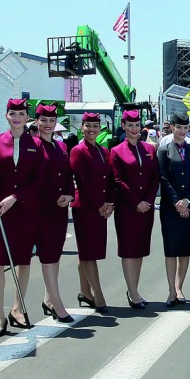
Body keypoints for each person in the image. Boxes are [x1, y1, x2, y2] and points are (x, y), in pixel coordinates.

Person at [0, 98, 44, 338]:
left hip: (25, 209)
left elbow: (39, 180)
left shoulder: (35, 144)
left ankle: (18, 308)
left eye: (21, 114)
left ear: (27, 118)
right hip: (0, 212)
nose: (16, 117)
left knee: (23, 259)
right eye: (12, 113)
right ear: (6, 116)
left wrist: (16, 197)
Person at [109, 110, 160, 310]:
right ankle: (132, 292)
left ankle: (135, 290)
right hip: (128, 209)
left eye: (137, 125)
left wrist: (147, 200)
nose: (133, 129)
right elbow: (118, 180)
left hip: (146, 208)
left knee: (139, 250)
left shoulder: (149, 149)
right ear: (123, 126)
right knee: (128, 251)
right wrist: (136, 201)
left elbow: (155, 177)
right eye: (129, 125)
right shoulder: (116, 151)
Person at [70, 113, 117, 313]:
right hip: (86, 208)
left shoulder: (102, 150)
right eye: (88, 125)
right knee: (89, 254)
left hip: (100, 207)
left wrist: (109, 203)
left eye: (95, 126)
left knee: (88, 252)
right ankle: (98, 296)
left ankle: (85, 292)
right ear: (82, 127)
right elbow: (83, 182)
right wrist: (100, 205)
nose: (92, 129)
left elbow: (110, 179)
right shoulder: (78, 151)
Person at [33, 104, 76, 323]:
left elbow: (68, 175)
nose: (48, 125)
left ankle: (48, 299)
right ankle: (57, 304)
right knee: (48, 256)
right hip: (41, 210)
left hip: (60, 210)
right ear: (36, 121)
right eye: (44, 120)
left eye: (51, 121)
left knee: (55, 255)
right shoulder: (32, 146)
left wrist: (70, 195)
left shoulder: (61, 147)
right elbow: (32, 181)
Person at [157, 112, 190, 307]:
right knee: (171, 251)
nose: (182, 131)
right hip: (170, 208)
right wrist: (177, 202)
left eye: (185, 128)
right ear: (172, 128)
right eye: (179, 127)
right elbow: (163, 178)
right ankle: (170, 291)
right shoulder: (164, 150)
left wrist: (188, 201)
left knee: (184, 250)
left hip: (189, 208)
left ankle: (179, 288)